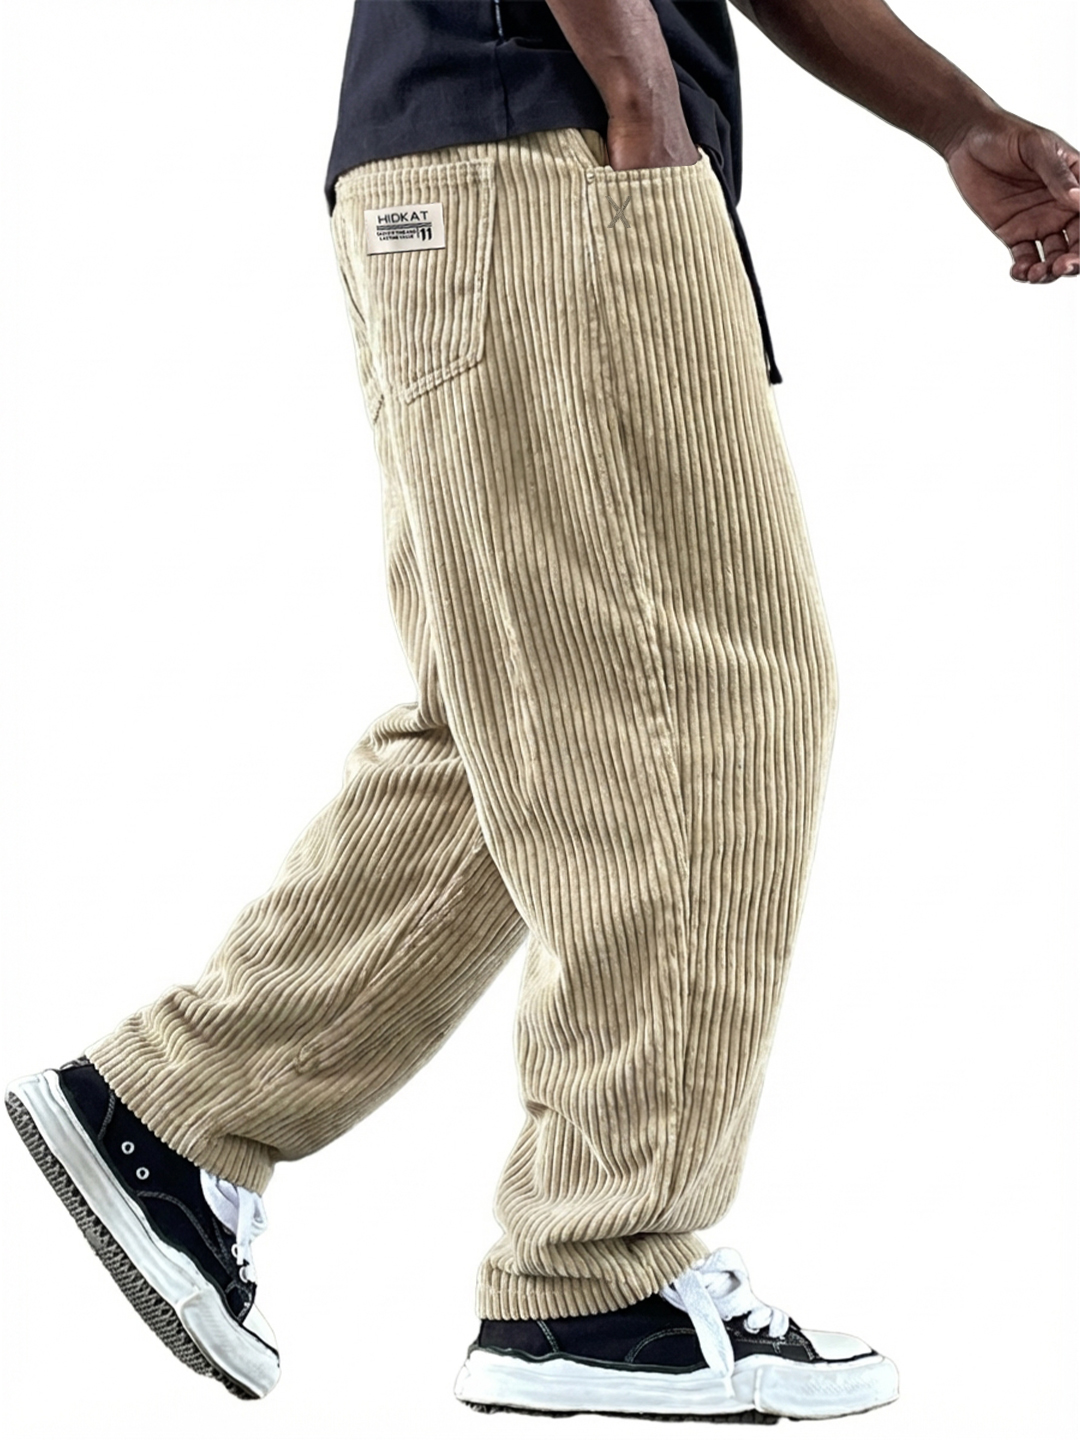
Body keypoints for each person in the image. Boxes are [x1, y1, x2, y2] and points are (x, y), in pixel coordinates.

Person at [6, 0, 1076, 1426]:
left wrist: (961, 120)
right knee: (714, 701)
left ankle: (176, 1109)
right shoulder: (596, 114)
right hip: (554, 155)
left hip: (493, 166)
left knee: (528, 710)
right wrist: (640, 95)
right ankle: (598, 1274)